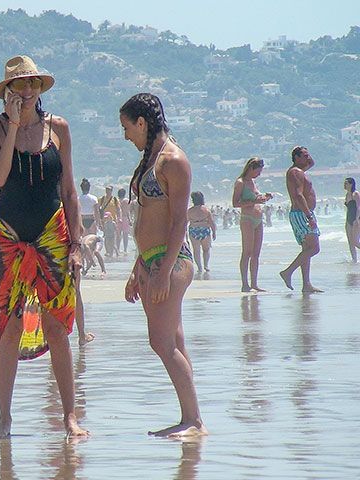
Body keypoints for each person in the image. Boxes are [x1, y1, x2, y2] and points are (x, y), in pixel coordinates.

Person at [0, 55, 87, 439]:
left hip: (52, 232)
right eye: (20, 84)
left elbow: (69, 190)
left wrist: (76, 244)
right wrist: (11, 126)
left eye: (33, 84)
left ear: (41, 88)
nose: (27, 91)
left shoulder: (59, 127)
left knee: (57, 327)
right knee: (8, 328)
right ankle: (4, 421)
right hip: (5, 234)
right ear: (7, 91)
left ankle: (70, 417)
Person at [120, 92, 207, 437]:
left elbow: (177, 223)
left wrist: (164, 272)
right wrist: (137, 268)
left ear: (142, 122)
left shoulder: (173, 160)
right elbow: (145, 217)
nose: (126, 135)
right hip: (151, 261)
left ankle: (193, 421)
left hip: (171, 263)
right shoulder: (150, 159)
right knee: (174, 342)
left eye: (127, 128)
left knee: (161, 343)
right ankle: (191, 417)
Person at [280, 146, 322, 292]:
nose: (307, 158)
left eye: (307, 155)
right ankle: (287, 272)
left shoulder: (300, 170)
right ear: (296, 158)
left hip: (303, 213)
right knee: (314, 248)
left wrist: (305, 152)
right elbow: (298, 195)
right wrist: (309, 216)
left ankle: (306, 284)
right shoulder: (295, 172)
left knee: (306, 250)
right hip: (302, 213)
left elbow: (312, 163)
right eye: (304, 155)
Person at [232, 157, 272, 292]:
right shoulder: (240, 182)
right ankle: (245, 283)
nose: (259, 174)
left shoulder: (253, 182)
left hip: (258, 219)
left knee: (256, 253)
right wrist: (254, 201)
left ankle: (254, 283)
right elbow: (235, 203)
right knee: (247, 252)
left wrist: (264, 198)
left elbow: (256, 199)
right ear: (251, 168)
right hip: (247, 218)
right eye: (258, 171)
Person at [187, 191, 217, 274]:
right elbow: (211, 222)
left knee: (196, 250)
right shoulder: (206, 210)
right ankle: (206, 265)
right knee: (206, 250)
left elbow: (185, 223)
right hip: (204, 230)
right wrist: (214, 232)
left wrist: (185, 235)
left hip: (193, 230)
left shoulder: (189, 211)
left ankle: (199, 267)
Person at [99, 185, 121, 253]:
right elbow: (98, 209)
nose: (107, 191)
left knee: (112, 236)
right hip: (104, 221)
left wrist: (119, 218)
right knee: (106, 236)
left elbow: (118, 209)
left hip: (113, 220)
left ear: (111, 191)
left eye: (109, 190)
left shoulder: (114, 199)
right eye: (106, 190)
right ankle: (107, 251)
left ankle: (113, 250)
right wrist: (99, 220)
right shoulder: (101, 199)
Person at [343, 177, 360, 262]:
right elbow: (348, 209)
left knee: (355, 242)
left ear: (351, 184)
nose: (344, 185)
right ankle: (354, 260)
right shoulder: (347, 195)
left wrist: (357, 219)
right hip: (348, 219)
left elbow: (359, 207)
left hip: (356, 219)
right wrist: (346, 221)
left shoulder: (355, 194)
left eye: (346, 183)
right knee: (350, 242)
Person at [117, 187, 132, 253]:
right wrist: (130, 219)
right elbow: (127, 211)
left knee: (118, 234)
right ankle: (125, 249)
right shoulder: (126, 201)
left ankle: (118, 249)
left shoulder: (117, 200)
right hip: (125, 218)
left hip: (118, 218)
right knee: (125, 235)